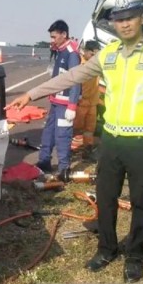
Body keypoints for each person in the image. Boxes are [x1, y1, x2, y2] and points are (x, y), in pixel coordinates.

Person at [5, 0, 143, 283]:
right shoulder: (110, 53)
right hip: (112, 142)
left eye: (130, 18)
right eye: (119, 19)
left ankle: (135, 257)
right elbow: (72, 76)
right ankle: (106, 249)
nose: (125, 24)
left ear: (142, 18)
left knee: (141, 202)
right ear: (114, 24)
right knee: (105, 198)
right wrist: (31, 93)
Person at [35, 20, 81, 181]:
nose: (52, 40)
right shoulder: (60, 50)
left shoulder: (71, 53)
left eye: (54, 37)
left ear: (64, 34)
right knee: (48, 132)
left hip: (65, 103)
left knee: (62, 135)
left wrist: (72, 106)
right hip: (56, 101)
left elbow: (76, 79)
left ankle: (64, 168)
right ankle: (44, 161)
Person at [71, 40, 101, 159]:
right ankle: (70, 150)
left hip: (92, 103)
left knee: (90, 129)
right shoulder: (78, 64)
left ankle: (87, 150)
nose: (94, 57)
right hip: (81, 103)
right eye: (92, 54)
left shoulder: (97, 65)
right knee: (75, 128)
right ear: (86, 52)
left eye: (96, 55)